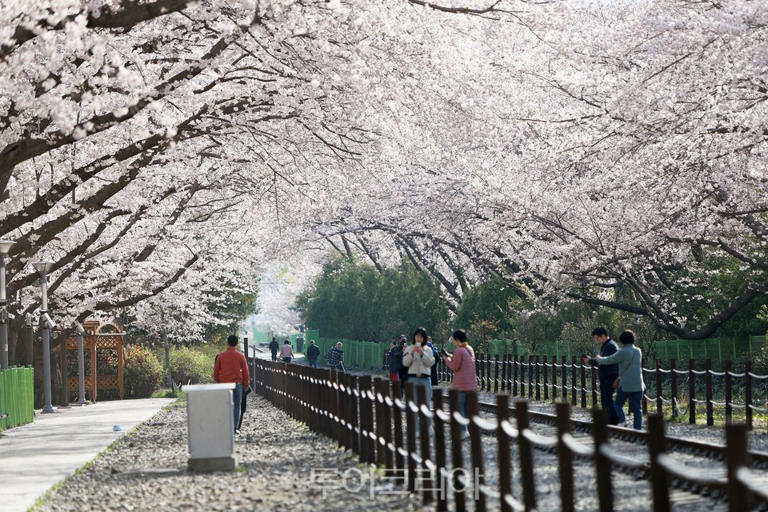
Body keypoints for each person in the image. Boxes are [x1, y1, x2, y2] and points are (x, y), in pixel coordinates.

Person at [596, 329, 645, 430]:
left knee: (617, 404)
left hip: (625, 384)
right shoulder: (638, 351)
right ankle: (638, 429)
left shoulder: (623, 352)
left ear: (622, 340)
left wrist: (599, 359)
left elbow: (611, 359)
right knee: (637, 409)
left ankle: (622, 421)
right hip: (638, 384)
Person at [441, 329, 477, 435]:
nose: (453, 342)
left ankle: (463, 431)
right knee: (467, 409)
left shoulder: (458, 351)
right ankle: (469, 430)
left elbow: (454, 366)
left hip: (461, 385)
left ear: (457, 340)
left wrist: (445, 358)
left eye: (454, 340)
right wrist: (450, 356)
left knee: (459, 408)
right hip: (471, 385)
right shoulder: (469, 349)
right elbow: (462, 360)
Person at [212, 335, 250, 433]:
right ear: (237, 344)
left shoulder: (221, 356)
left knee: (225, 405)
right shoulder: (240, 356)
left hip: (224, 384)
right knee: (237, 406)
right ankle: (234, 428)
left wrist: (218, 381)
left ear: (227, 343)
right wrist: (246, 384)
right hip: (237, 384)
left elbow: (216, 371)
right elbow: (245, 371)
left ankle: (225, 426)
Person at [582, 327, 619, 425]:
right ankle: (610, 421)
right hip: (607, 376)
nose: (596, 340)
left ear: (603, 336)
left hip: (609, 376)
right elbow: (601, 361)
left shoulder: (610, 346)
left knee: (607, 399)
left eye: (597, 338)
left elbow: (603, 362)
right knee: (606, 399)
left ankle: (612, 421)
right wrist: (591, 360)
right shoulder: (606, 345)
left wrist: (590, 361)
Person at [402, 327, 435, 402]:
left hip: (425, 379)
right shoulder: (409, 348)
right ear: (414, 337)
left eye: (421, 337)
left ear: (424, 338)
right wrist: (412, 353)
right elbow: (405, 363)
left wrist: (422, 354)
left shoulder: (428, 350)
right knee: (413, 404)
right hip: (412, 378)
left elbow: (430, 363)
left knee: (426, 403)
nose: (419, 339)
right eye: (417, 336)